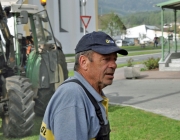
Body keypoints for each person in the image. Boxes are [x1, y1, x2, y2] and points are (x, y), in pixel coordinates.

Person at [39, 31, 128, 140]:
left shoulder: (90, 93)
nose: (114, 65)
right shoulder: (73, 96)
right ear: (84, 62)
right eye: (106, 59)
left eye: (114, 59)